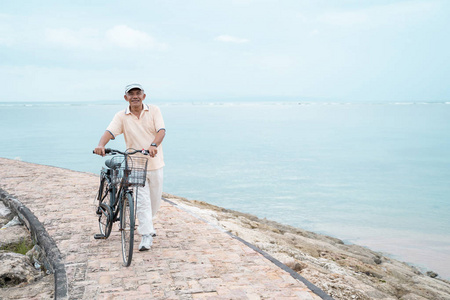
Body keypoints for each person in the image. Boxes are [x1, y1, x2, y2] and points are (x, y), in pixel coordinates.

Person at [94, 83, 166, 251]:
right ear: (126, 98)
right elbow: (110, 131)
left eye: (138, 93)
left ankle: (148, 223)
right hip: (134, 165)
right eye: (131, 93)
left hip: (155, 163)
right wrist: (100, 145)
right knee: (142, 201)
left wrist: (154, 144)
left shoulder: (154, 110)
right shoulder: (121, 116)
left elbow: (161, 130)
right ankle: (146, 235)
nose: (135, 96)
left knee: (154, 201)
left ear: (144, 96)